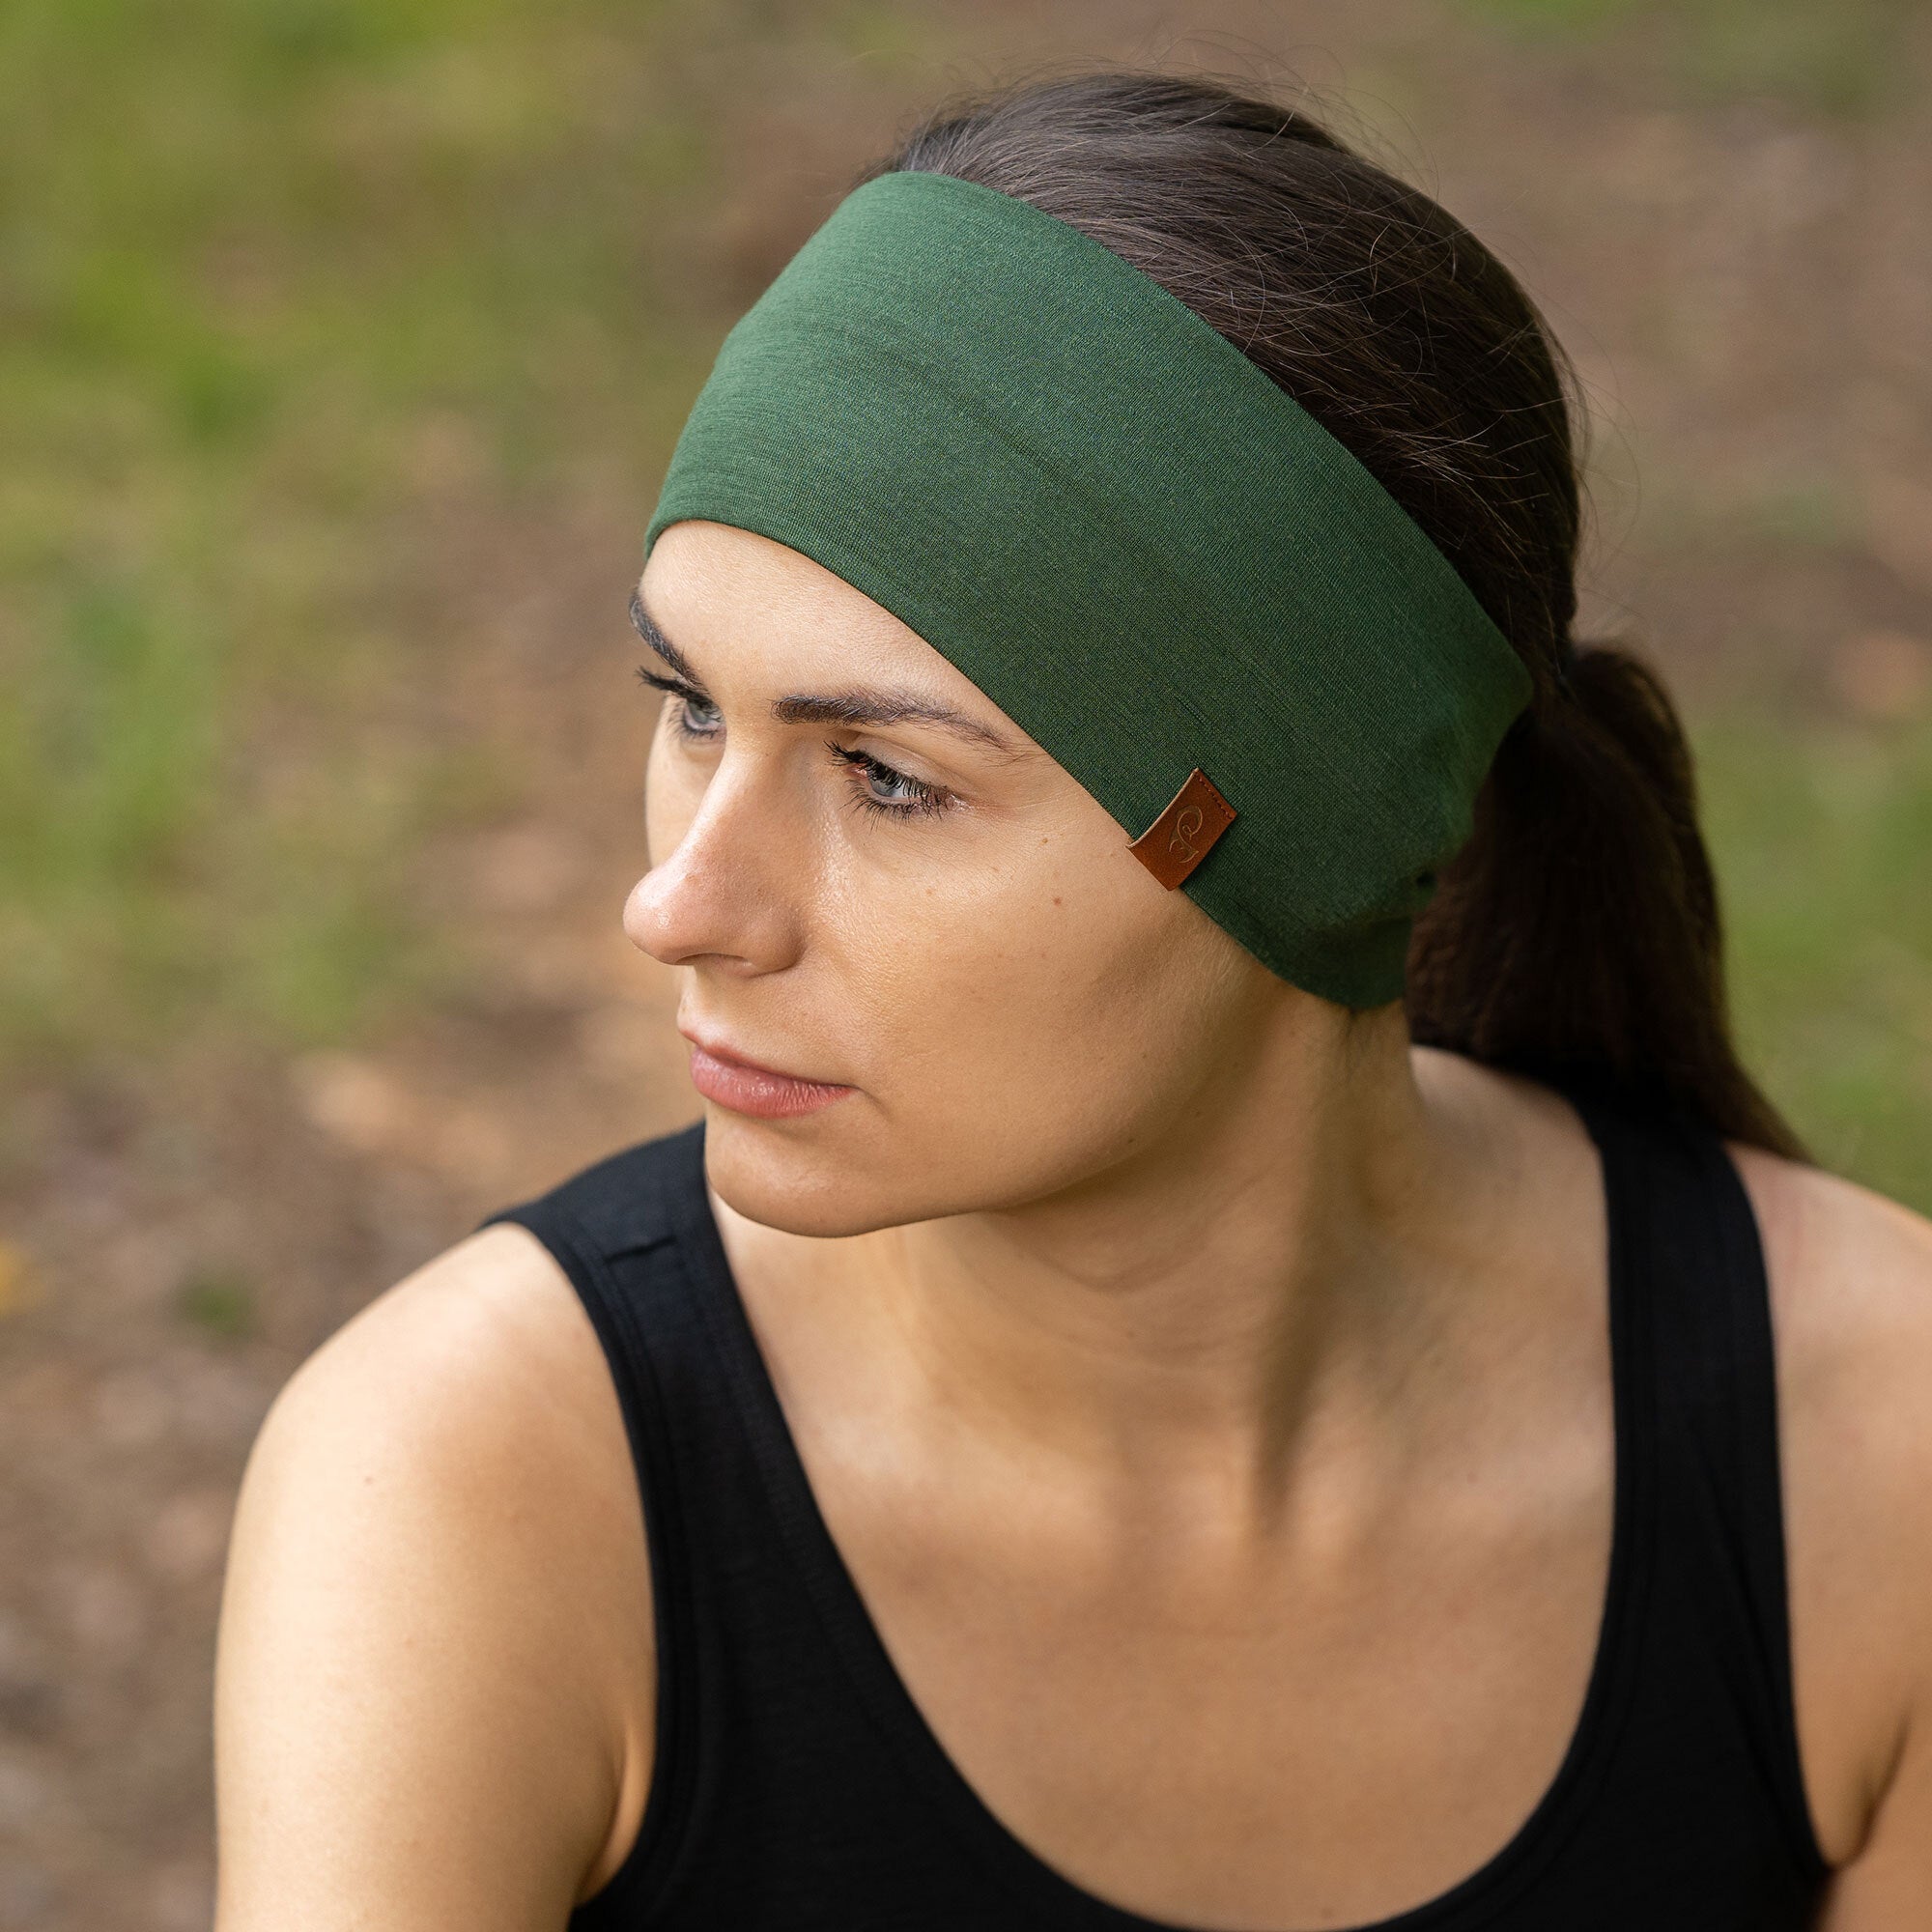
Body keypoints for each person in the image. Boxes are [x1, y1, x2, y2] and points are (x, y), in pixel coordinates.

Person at [212, 70, 1932, 1932]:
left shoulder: (1877, 1459)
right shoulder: (473, 1494)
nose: (674, 905)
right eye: (691, 706)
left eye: (886, 776)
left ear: (1303, 838)